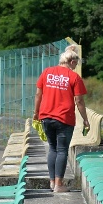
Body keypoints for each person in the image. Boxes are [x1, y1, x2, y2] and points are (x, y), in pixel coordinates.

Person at [33, 44, 89, 193]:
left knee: (52, 148)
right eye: (76, 64)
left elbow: (38, 95)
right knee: (62, 150)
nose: (76, 67)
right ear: (71, 62)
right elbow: (79, 101)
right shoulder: (74, 77)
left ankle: (52, 182)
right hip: (64, 118)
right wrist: (85, 119)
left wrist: (36, 113)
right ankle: (59, 184)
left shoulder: (47, 72)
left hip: (46, 116)